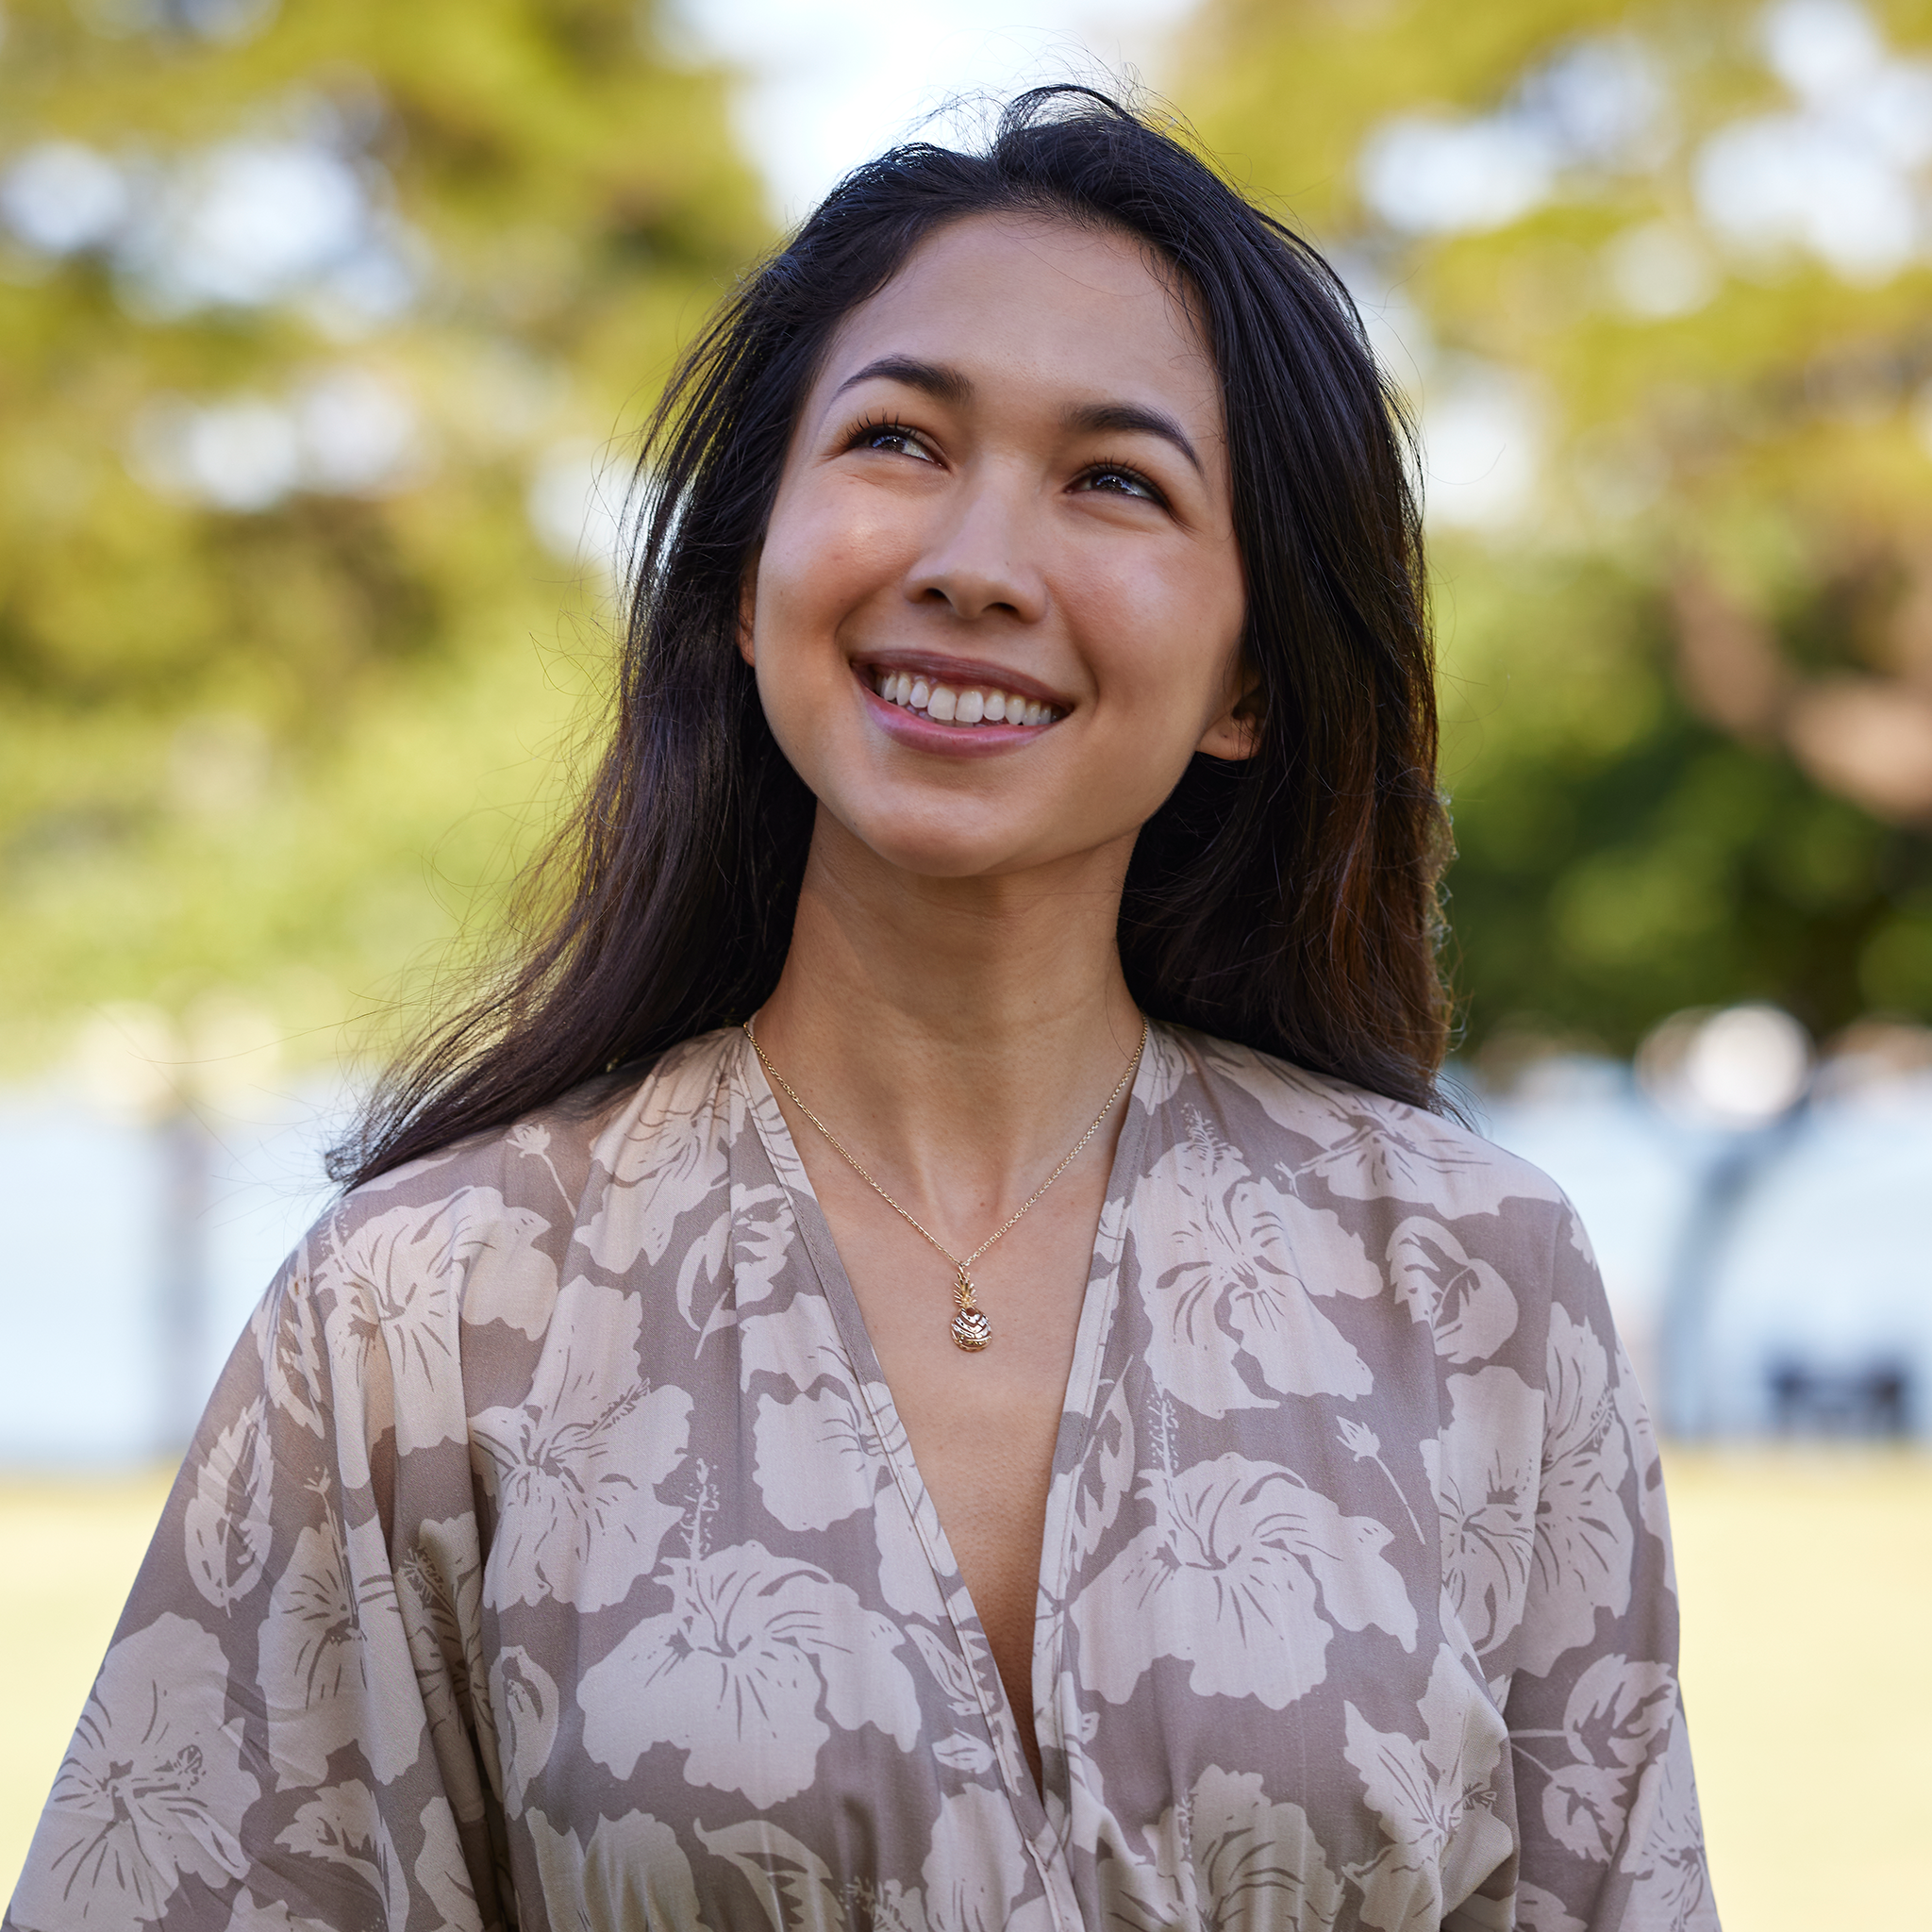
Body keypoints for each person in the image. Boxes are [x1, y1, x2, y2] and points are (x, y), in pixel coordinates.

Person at [7, 88, 1718, 1932]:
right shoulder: (429, 1312)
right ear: (746, 582)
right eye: (900, 440)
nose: (974, 562)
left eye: (1116, 479)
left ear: (1249, 681)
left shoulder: (1471, 1287)